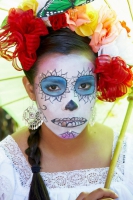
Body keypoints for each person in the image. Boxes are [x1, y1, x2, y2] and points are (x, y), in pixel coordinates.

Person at [0, 0, 133, 199]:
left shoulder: (128, 158)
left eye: (84, 85)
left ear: (99, 83)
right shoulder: (5, 168)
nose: (71, 103)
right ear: (30, 89)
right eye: (53, 87)